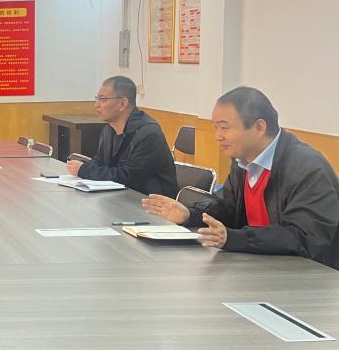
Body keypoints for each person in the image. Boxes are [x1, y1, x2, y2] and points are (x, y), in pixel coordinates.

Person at [143, 87, 339, 267]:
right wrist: (190, 215)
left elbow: (304, 238)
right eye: (215, 127)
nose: (217, 136)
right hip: (263, 265)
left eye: (224, 128)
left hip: (311, 276)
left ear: (259, 127)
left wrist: (234, 238)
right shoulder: (243, 161)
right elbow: (227, 207)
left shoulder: (307, 168)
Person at [67, 75, 178, 197]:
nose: (96, 105)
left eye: (103, 99)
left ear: (123, 104)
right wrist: (83, 168)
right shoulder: (109, 129)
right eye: (97, 99)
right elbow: (100, 162)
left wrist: (84, 170)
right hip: (119, 197)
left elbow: (129, 178)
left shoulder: (148, 133)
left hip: (150, 202)